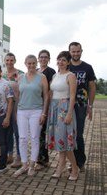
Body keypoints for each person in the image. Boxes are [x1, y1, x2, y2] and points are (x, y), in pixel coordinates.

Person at [13, 55, 49, 177]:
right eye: (29, 63)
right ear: (25, 64)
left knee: (34, 138)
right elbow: (18, 96)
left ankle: (32, 166)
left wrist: (44, 113)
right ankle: (24, 165)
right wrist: (16, 112)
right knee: (22, 138)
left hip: (36, 111)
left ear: (36, 63)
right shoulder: (20, 78)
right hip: (22, 111)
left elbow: (46, 96)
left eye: (34, 63)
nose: (32, 65)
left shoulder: (42, 77)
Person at [46, 51, 79, 180]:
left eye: (64, 60)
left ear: (68, 62)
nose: (60, 62)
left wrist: (69, 113)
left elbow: (72, 96)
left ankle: (75, 169)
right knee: (60, 141)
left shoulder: (70, 76)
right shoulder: (55, 75)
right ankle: (61, 168)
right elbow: (51, 93)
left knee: (66, 142)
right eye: (59, 59)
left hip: (64, 109)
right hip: (54, 109)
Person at [69, 42, 96, 172]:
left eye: (77, 51)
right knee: (69, 134)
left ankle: (80, 162)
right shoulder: (66, 66)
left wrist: (90, 106)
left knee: (78, 134)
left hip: (81, 105)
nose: (75, 54)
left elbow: (92, 87)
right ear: (69, 52)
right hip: (67, 105)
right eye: (73, 51)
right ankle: (72, 162)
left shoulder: (87, 67)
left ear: (81, 51)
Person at [2, 52, 24, 168]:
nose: (9, 62)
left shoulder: (20, 74)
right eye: (7, 60)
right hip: (4, 107)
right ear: (4, 61)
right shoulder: (1, 74)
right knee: (6, 132)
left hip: (17, 107)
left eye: (11, 60)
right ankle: (9, 155)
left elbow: (23, 91)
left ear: (15, 61)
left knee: (17, 132)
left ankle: (19, 157)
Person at [36, 50, 56, 170]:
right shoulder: (36, 71)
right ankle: (43, 159)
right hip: (35, 105)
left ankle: (42, 161)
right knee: (37, 133)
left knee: (42, 133)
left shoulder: (51, 72)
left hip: (45, 106)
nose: (43, 59)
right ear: (38, 59)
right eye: (41, 57)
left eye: (45, 57)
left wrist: (46, 108)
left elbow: (49, 92)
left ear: (49, 59)